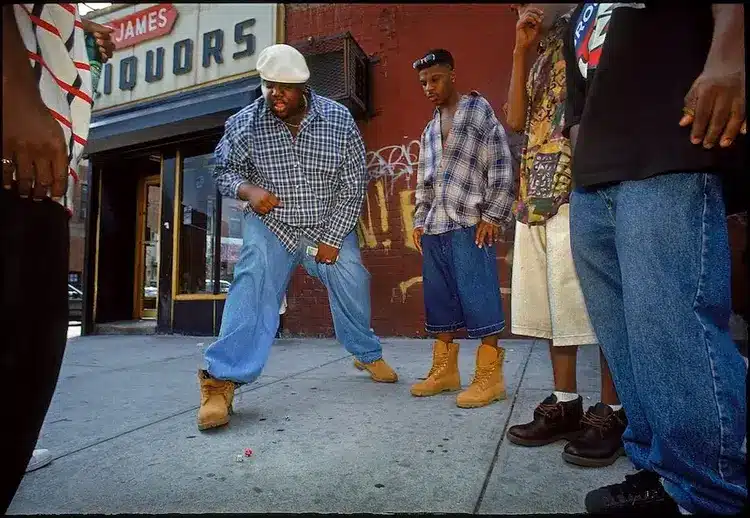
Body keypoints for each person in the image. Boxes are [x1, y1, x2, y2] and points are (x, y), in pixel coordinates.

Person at [564, 3, 747, 514]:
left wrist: (731, 59)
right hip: (594, 181)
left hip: (668, 150)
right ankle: (661, 473)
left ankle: (711, 494)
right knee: (627, 339)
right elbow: (579, 101)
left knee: (673, 330)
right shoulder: (580, 13)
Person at [197, 44, 399, 431]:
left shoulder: (339, 121)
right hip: (272, 226)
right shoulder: (244, 124)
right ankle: (221, 380)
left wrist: (335, 239)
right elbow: (222, 169)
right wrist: (247, 190)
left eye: (284, 87)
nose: (276, 94)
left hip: (325, 225)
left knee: (353, 279)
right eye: (269, 85)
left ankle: (365, 351)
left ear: (304, 86)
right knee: (253, 277)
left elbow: (352, 184)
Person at [502, 4, 625, 469]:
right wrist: (520, 51)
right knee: (553, 306)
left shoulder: (588, 25)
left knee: (597, 303)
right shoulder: (536, 47)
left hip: (581, 187)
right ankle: (565, 401)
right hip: (534, 190)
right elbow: (515, 120)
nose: (525, 6)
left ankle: (613, 409)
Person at [1, 4, 113, 513]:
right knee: (24, 354)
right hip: (20, 159)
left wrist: (71, 29)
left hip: (37, 152)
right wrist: (15, 95)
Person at [410, 49, 514, 408]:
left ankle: (491, 377)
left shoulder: (478, 112)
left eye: (435, 79)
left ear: (452, 74)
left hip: (471, 221)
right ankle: (445, 371)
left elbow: (500, 162)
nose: (429, 87)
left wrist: (493, 214)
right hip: (436, 225)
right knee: (439, 301)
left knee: (479, 294)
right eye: (423, 83)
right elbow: (423, 180)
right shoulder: (428, 130)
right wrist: (419, 220)